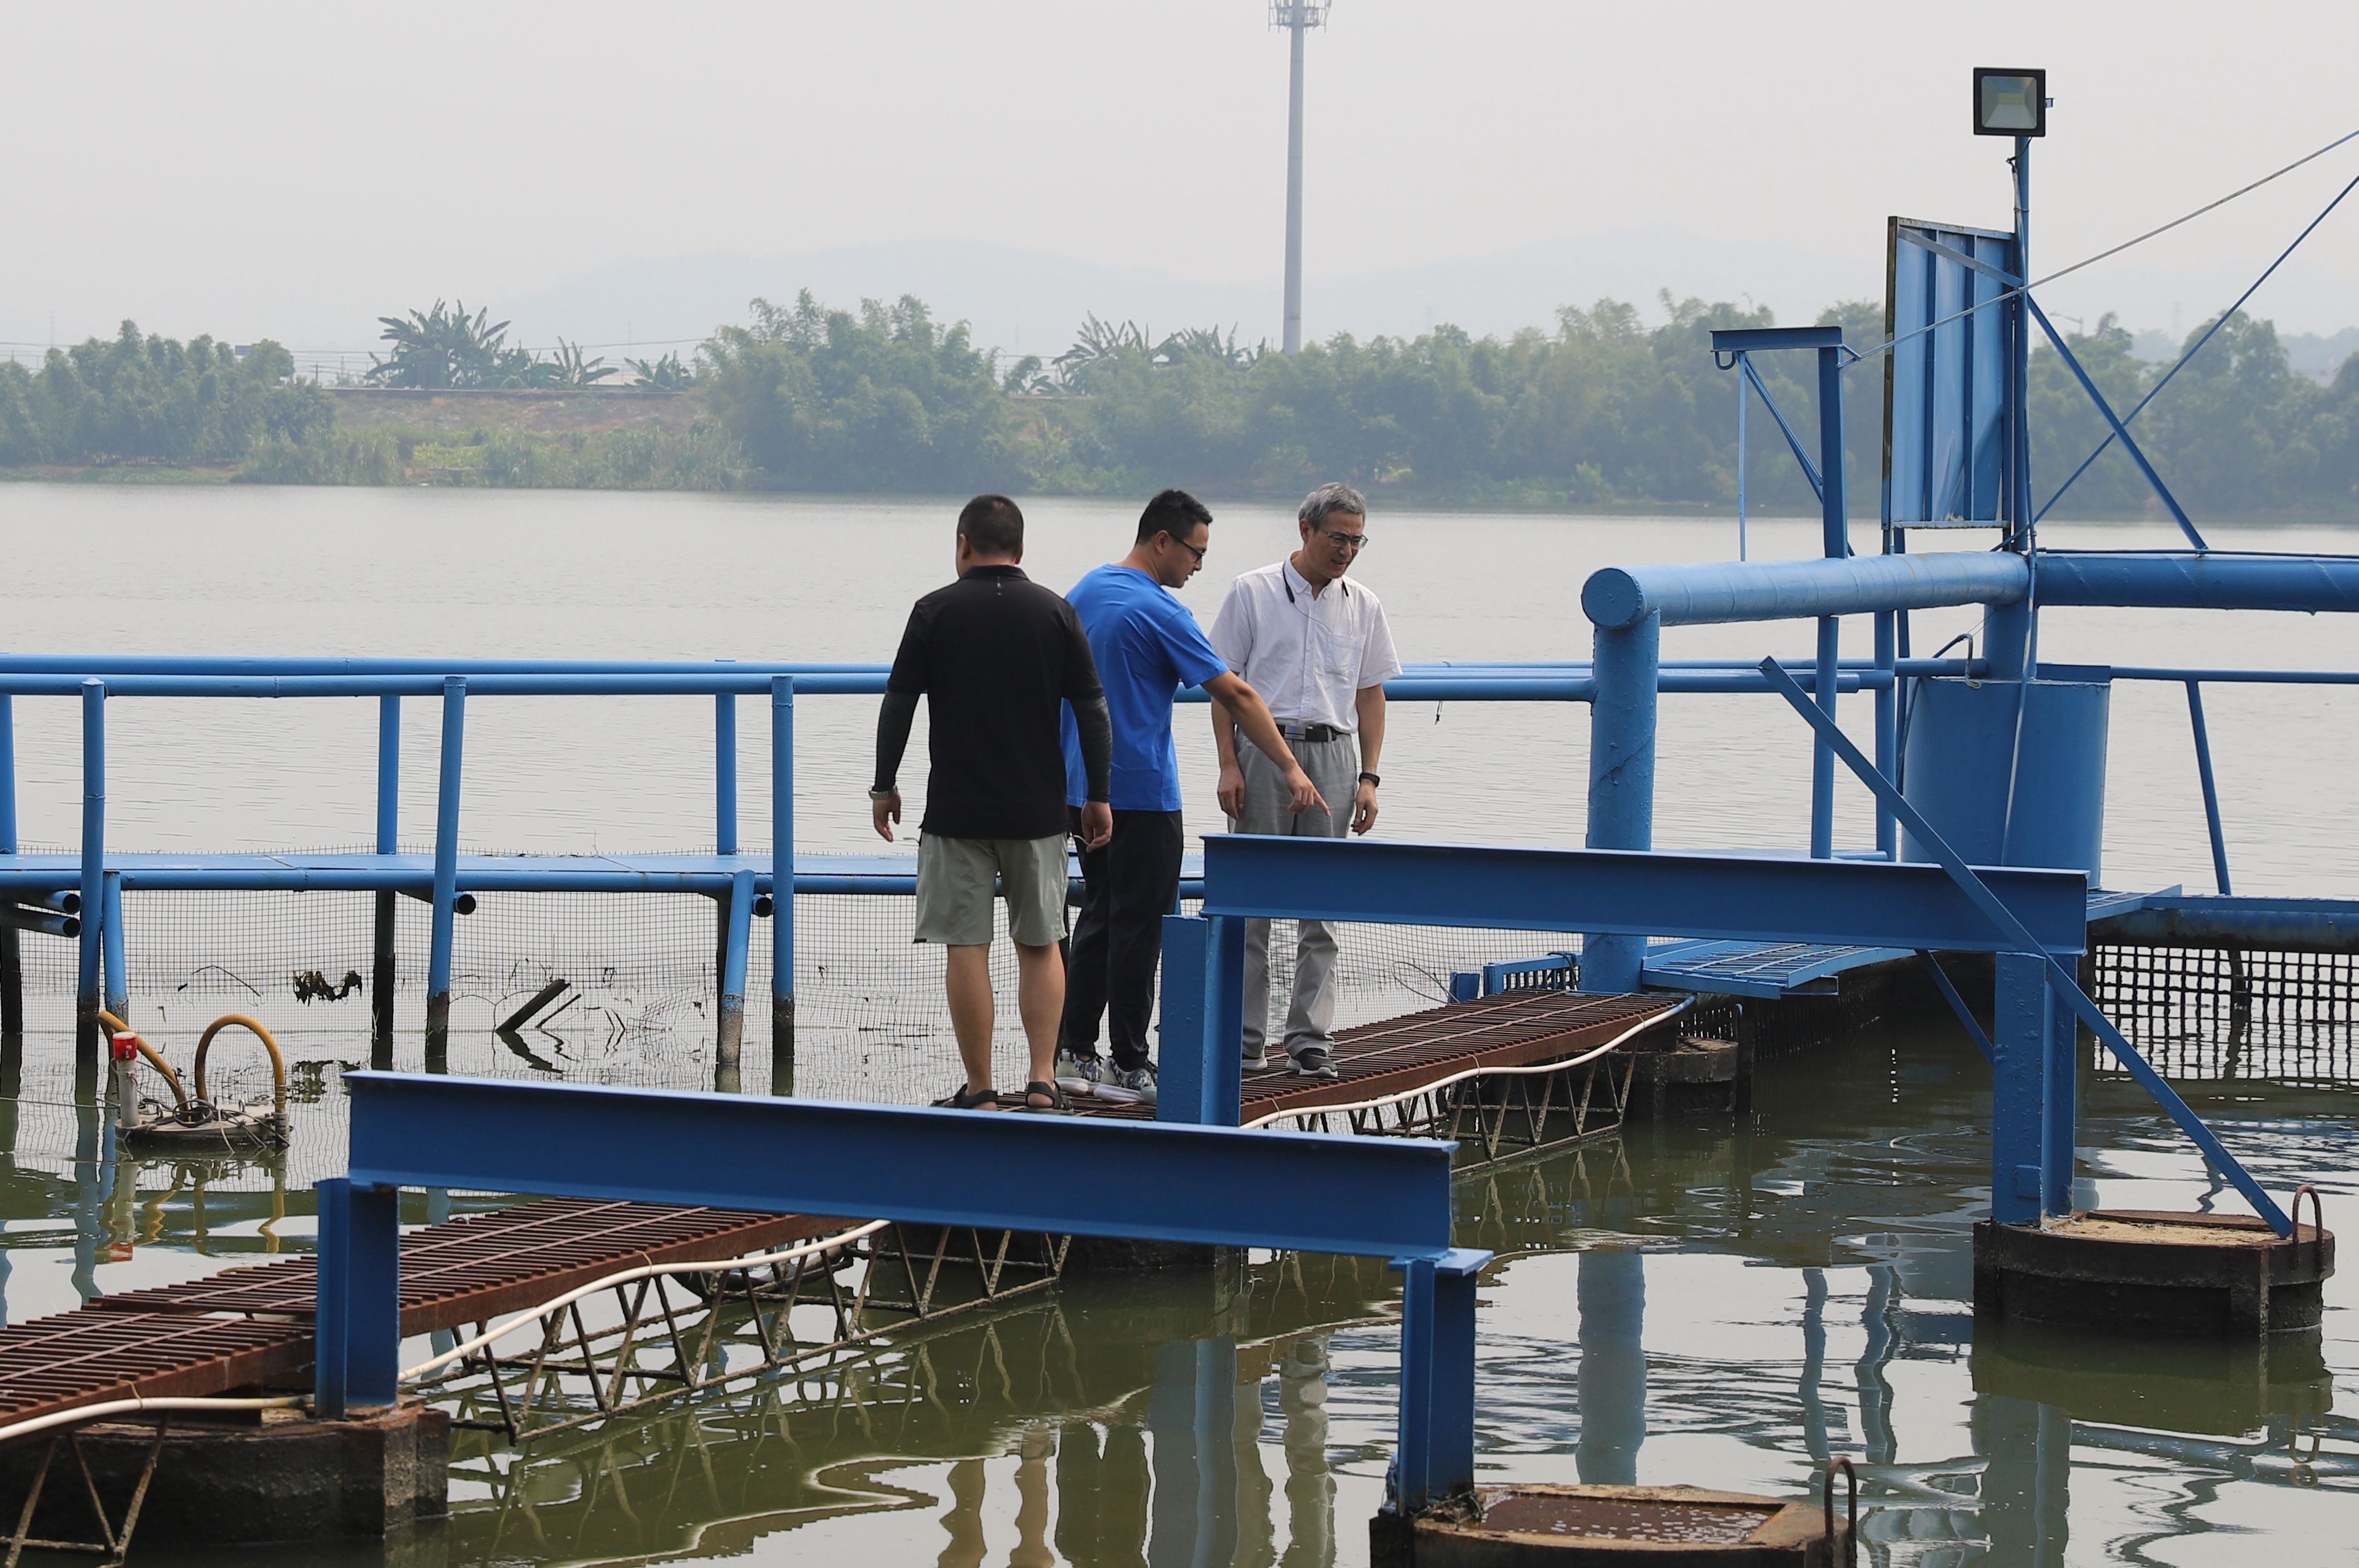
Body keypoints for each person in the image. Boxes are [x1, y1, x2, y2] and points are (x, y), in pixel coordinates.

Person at [1053, 489, 1323, 1106]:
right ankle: (1128, 1062)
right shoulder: (1160, 610)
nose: (1199, 566)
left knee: (1099, 913)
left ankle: (1074, 1051)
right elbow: (1238, 694)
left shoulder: (1085, 590)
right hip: (1141, 791)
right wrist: (1288, 765)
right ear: (1162, 542)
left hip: (1079, 786)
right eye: (1195, 553)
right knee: (1139, 927)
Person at [872, 494, 1114, 1112]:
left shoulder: (934, 611)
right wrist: (1098, 795)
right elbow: (1093, 710)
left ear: (963, 543)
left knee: (966, 945)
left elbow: (899, 702)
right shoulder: (1056, 612)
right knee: (1041, 942)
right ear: (1021, 549)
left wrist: (884, 785)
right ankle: (1042, 1080)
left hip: (957, 812)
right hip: (1038, 811)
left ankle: (980, 1088)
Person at [1208, 481, 1401, 1079]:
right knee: (1251, 902)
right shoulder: (1252, 591)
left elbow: (1370, 695)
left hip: (1335, 753)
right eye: (1338, 537)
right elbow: (1223, 685)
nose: (1347, 550)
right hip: (1262, 751)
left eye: (1357, 540)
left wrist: (1369, 776)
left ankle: (1310, 1039)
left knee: (1322, 904)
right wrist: (1229, 763)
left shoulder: (1363, 604)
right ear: (1306, 529)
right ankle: (1243, 1041)